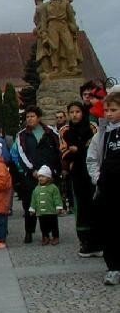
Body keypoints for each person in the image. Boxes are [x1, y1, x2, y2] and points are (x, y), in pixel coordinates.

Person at [11, 106, 61, 243]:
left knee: (49, 204)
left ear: (38, 118)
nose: (30, 119)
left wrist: (54, 170)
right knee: (29, 204)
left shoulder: (50, 132)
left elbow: (57, 151)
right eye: (27, 117)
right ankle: (29, 231)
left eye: (32, 116)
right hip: (31, 175)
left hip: (49, 173)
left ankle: (51, 233)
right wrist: (31, 170)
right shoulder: (22, 135)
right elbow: (21, 155)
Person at [86, 89, 120, 285]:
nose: (109, 113)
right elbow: (92, 158)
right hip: (107, 186)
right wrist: (97, 179)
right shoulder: (102, 134)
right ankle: (113, 267)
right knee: (109, 229)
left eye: (113, 110)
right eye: (106, 110)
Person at [59, 102, 100, 257]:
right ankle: (85, 241)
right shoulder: (65, 131)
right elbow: (64, 152)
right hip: (76, 173)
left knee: (95, 204)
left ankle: (98, 241)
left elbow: (93, 149)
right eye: (71, 112)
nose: (74, 115)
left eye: (77, 111)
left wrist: (78, 149)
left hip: (91, 172)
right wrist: (75, 151)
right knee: (81, 206)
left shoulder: (92, 128)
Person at [29, 165, 64, 245]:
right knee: (43, 226)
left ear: (48, 178)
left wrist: (59, 207)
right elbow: (34, 200)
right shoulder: (36, 189)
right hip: (41, 212)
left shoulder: (53, 187)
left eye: (43, 176)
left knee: (54, 225)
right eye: (39, 176)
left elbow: (57, 198)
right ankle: (45, 237)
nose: (40, 178)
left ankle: (55, 237)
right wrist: (32, 209)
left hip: (51, 211)